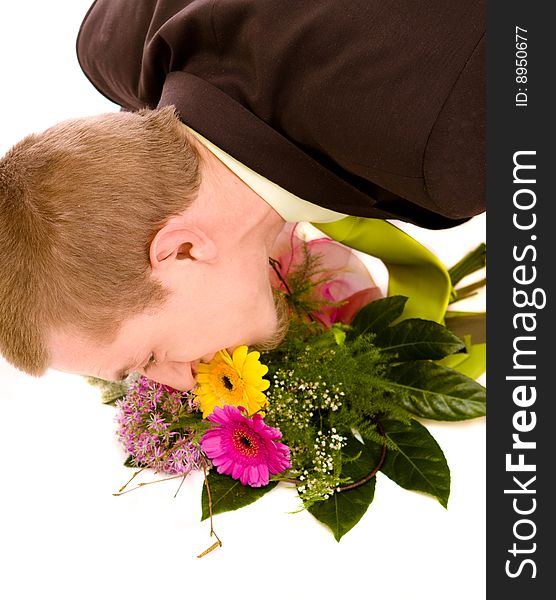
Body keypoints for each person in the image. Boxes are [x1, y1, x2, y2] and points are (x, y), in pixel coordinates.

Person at [0, 0, 485, 390]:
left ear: (183, 248)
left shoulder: (458, 146)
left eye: (148, 359)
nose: (177, 383)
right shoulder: (111, 37)